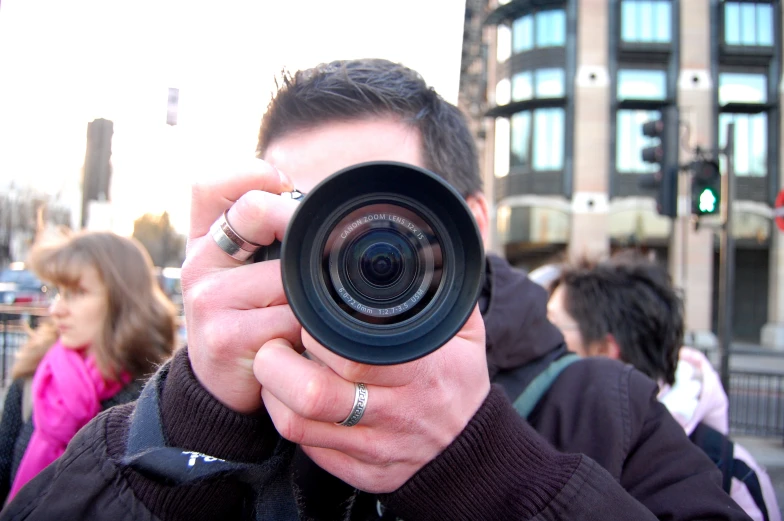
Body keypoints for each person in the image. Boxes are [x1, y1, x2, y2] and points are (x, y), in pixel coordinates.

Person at [1, 59, 751, 520]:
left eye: (382, 216)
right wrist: (191, 424)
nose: (352, 254)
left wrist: (490, 468)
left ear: (470, 224)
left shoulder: (606, 412)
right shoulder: (217, 407)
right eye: (307, 221)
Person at [547, 254, 780, 521]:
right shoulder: (545, 433)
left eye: (551, 325)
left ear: (605, 351)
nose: (539, 339)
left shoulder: (735, 474)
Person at [0, 231, 177, 505]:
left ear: (123, 301)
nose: (56, 309)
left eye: (77, 293)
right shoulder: (33, 381)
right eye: (58, 292)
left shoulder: (155, 403)